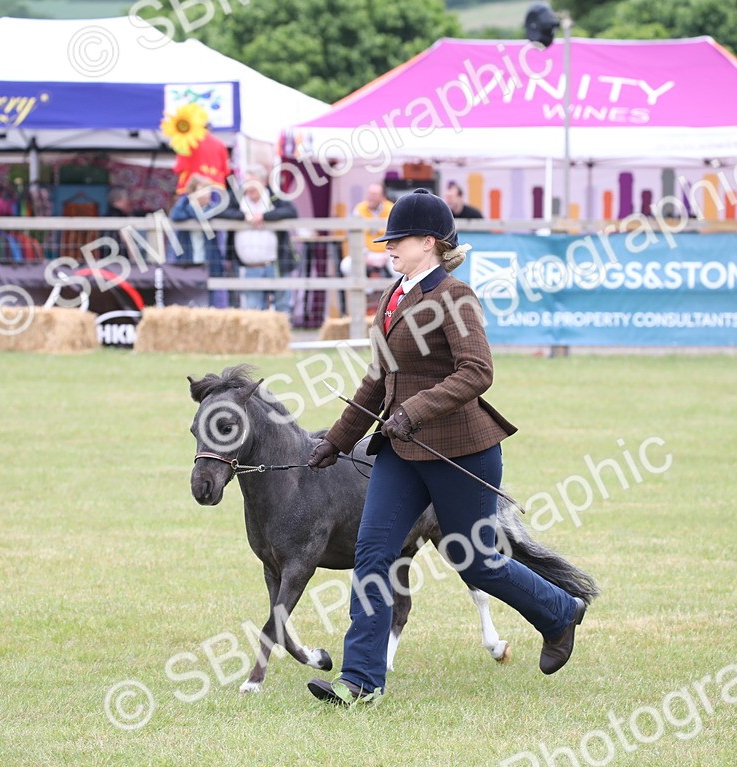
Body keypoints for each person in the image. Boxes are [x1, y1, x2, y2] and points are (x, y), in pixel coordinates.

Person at [305, 189, 587, 705]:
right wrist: (336, 440)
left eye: (398, 239)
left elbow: (478, 372)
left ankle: (560, 612)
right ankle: (361, 681)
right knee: (372, 552)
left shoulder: (455, 297)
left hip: (459, 452)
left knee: (475, 561)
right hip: (400, 454)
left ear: (429, 243)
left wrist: (414, 411)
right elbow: (377, 380)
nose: (388, 246)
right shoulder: (395, 296)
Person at [231, 166, 299, 317]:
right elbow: (222, 212)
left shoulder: (274, 198)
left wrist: (264, 216)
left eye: (252, 182)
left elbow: (291, 211)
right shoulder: (237, 199)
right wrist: (244, 216)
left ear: (263, 182)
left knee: (282, 308)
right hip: (250, 267)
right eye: (246, 182)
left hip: (275, 264)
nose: (248, 186)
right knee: (254, 311)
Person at [170, 174, 235, 308]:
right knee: (187, 296)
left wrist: (193, 210)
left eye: (208, 190)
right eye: (202, 191)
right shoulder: (184, 207)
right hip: (188, 258)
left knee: (209, 297)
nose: (207, 195)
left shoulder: (213, 208)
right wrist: (188, 200)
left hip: (209, 260)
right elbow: (175, 215)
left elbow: (205, 217)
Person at [340, 183, 396, 278]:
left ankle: (392, 291)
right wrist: (364, 254)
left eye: (374, 194)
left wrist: (387, 255)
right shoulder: (359, 209)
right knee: (346, 266)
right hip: (366, 253)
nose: (371, 197)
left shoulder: (392, 209)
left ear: (383, 197)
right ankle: (365, 291)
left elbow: (396, 236)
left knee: (400, 270)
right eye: (369, 194)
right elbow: (354, 237)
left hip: (387, 254)